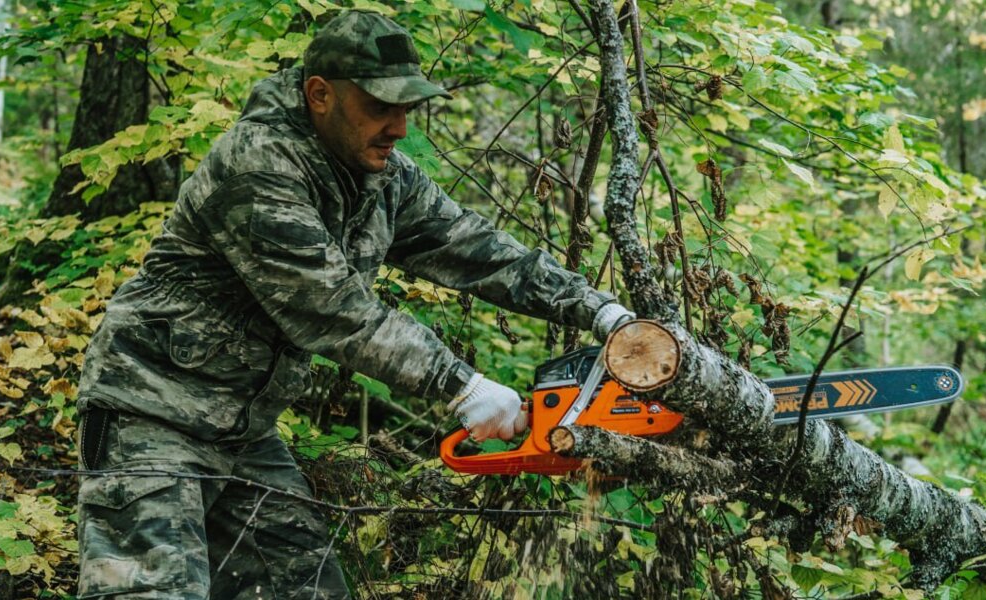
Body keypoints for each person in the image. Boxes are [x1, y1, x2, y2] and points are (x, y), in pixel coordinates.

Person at [74, 10, 633, 599]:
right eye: (380, 106)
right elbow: (330, 307)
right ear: (320, 94)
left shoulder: (383, 176)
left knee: (305, 589)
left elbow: (476, 249)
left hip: (244, 431)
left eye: (407, 108)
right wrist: (462, 388)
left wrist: (603, 313)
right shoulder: (258, 164)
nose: (398, 126)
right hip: (151, 411)